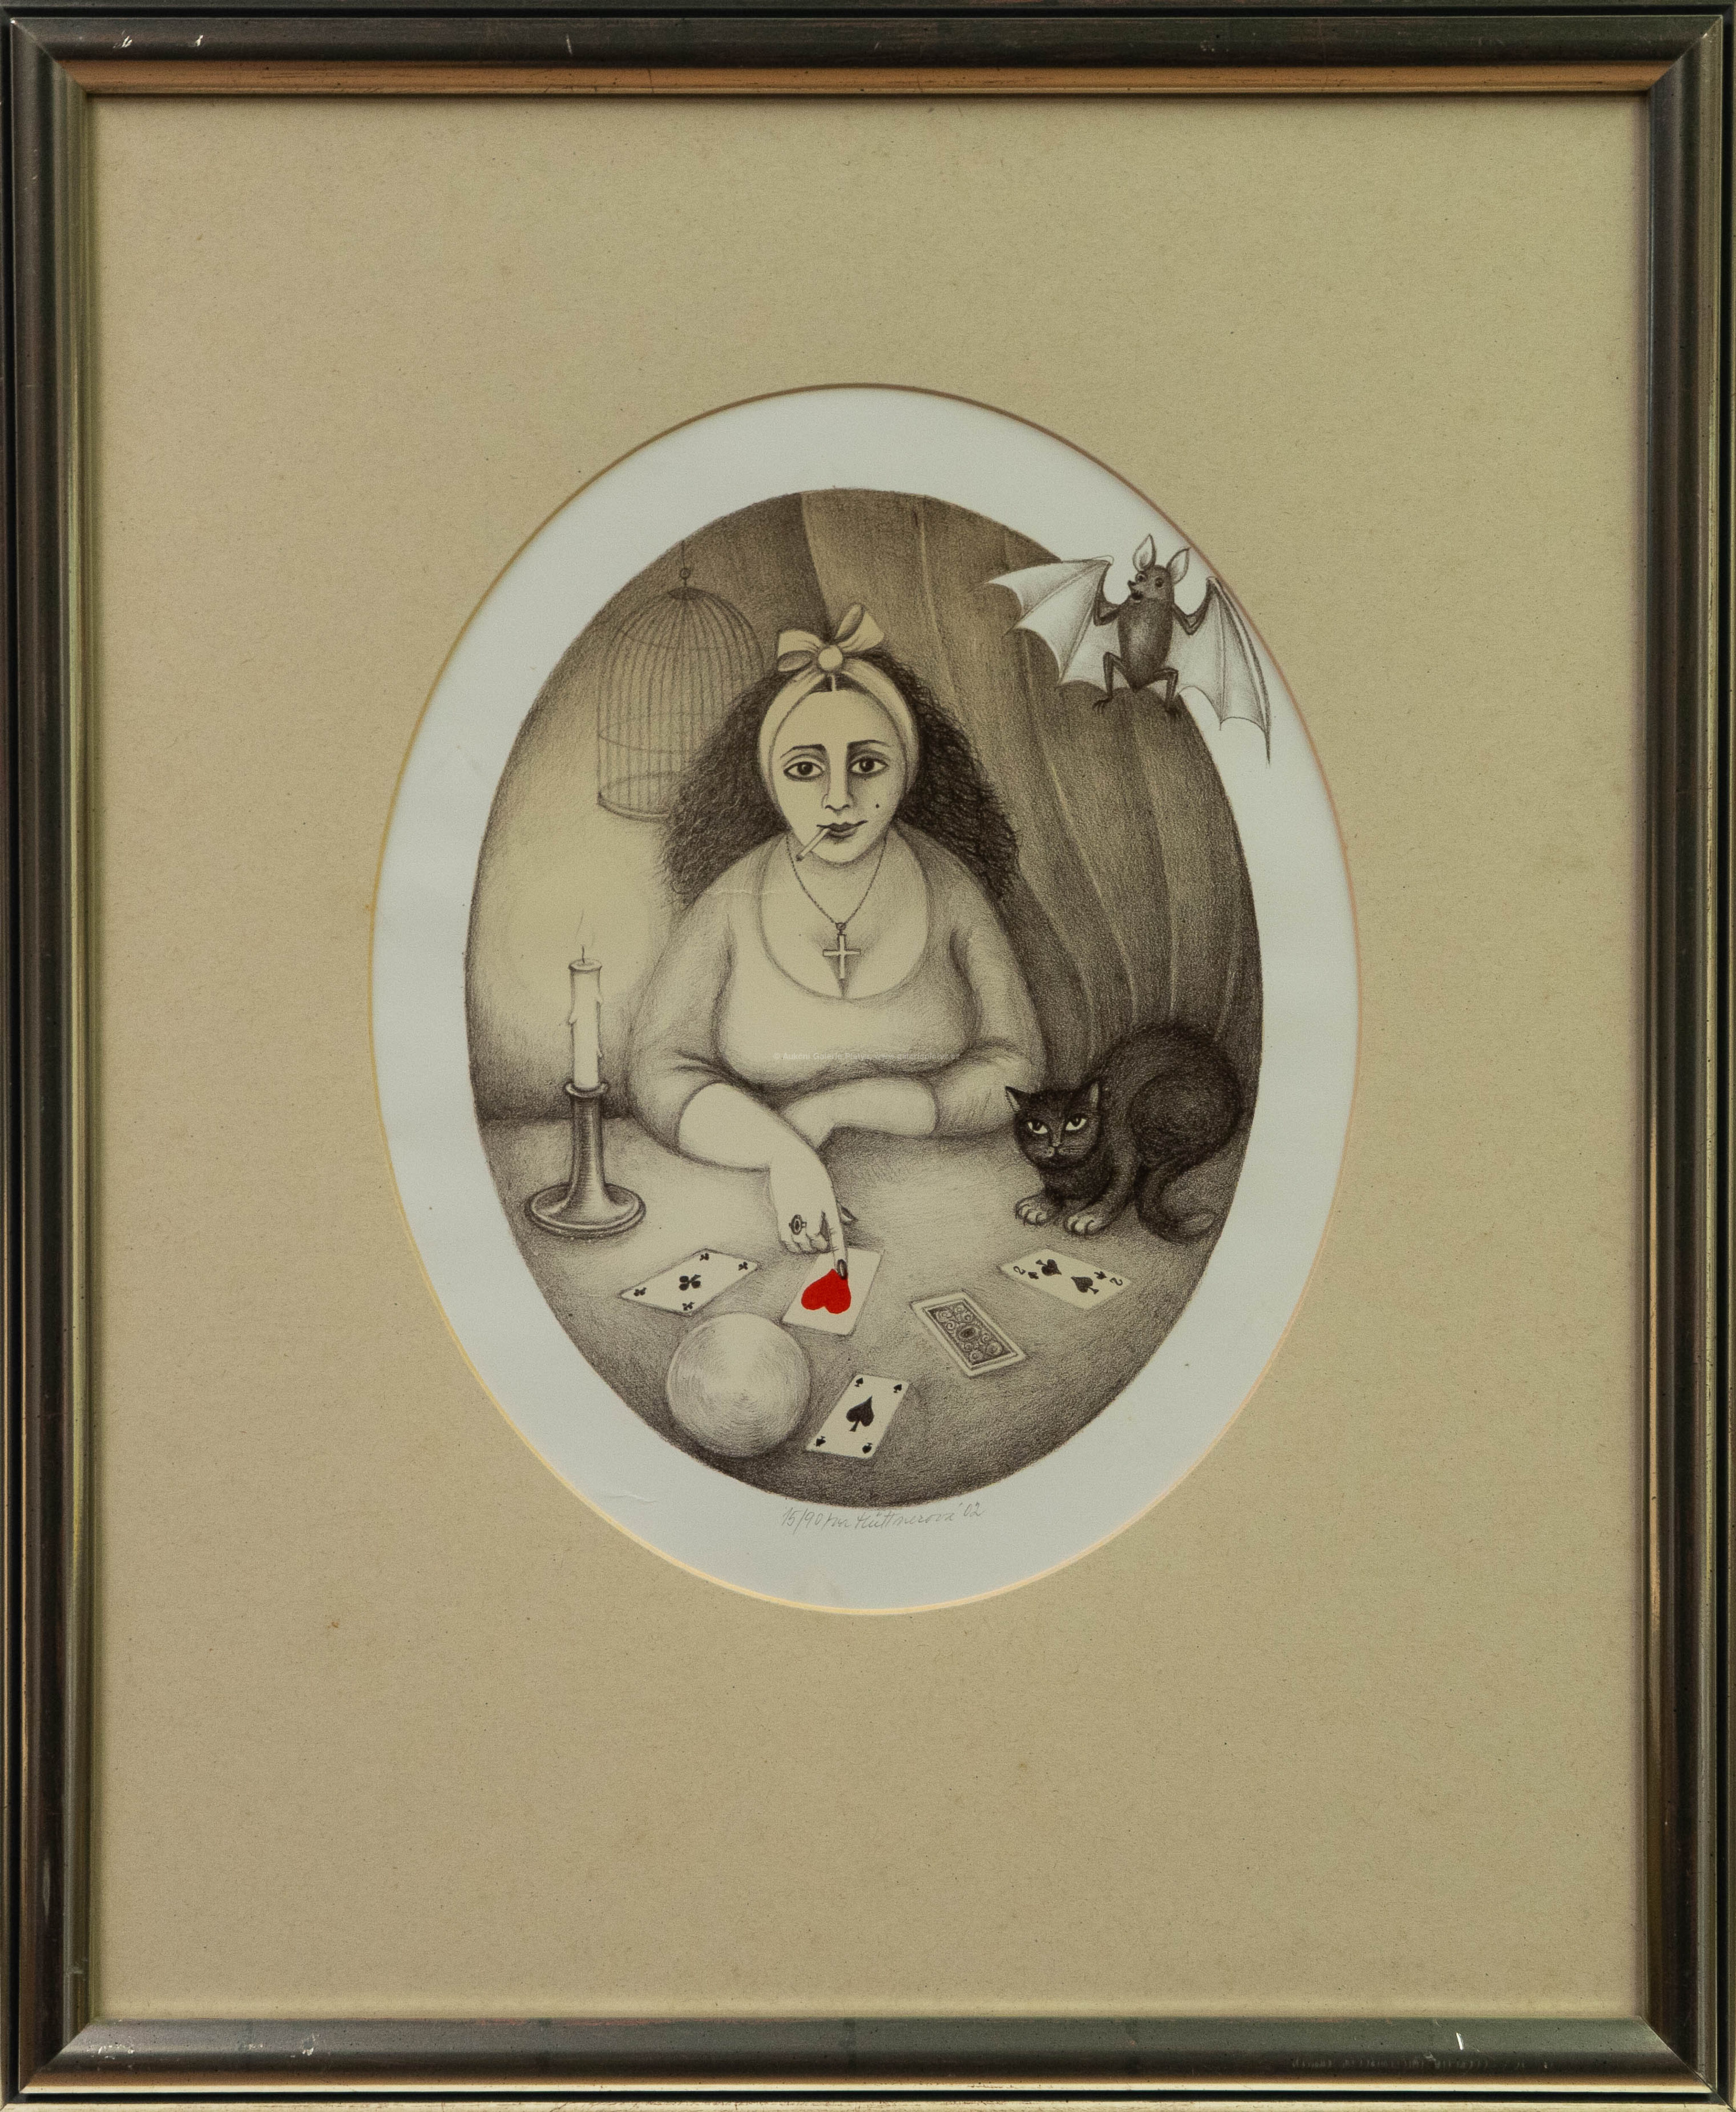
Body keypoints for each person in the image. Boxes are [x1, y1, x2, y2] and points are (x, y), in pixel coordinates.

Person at [629, 605, 1043, 1256]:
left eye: (868, 764)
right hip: (746, 1196)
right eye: (805, 769)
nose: (839, 799)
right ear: (768, 780)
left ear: (908, 769)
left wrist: (840, 1107)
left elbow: (1017, 1066)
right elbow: (659, 1071)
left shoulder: (950, 886)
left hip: (950, 1209)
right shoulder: (732, 898)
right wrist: (784, 1152)